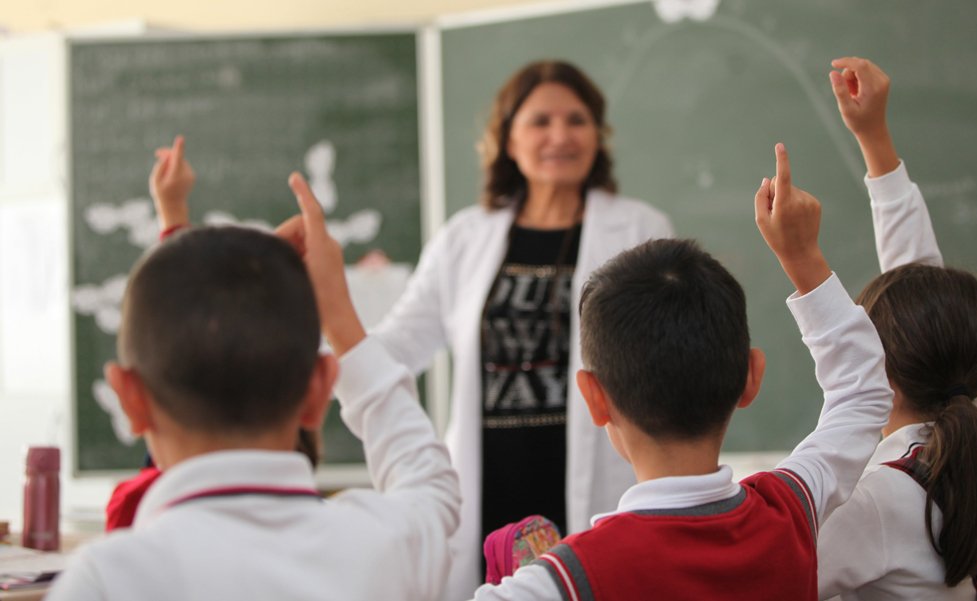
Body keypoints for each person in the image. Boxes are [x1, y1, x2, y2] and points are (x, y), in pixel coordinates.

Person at [467, 143, 893, 600]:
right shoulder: (790, 508)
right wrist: (802, 257)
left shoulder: (562, 581)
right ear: (751, 377)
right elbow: (863, 392)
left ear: (593, 397)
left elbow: (862, 393)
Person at [48, 173, 460, 600]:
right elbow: (432, 486)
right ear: (320, 389)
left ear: (129, 399)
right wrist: (339, 317)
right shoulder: (384, 550)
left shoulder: (106, 581)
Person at [368, 60, 673, 596]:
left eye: (576, 120)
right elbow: (399, 345)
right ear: (508, 139)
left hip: (598, 477)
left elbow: (670, 361)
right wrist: (317, 331)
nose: (560, 136)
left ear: (597, 135)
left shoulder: (640, 229)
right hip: (491, 486)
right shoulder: (465, 237)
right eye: (540, 121)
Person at [816, 57, 977, 600]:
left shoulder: (881, 502)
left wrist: (803, 262)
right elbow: (925, 284)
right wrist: (874, 138)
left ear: (881, 373)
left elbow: (764, 578)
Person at [103, 137, 325, 532]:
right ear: (315, 390)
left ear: (134, 400)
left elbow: (178, 329)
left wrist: (172, 213)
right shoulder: (360, 543)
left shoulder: (136, 516)